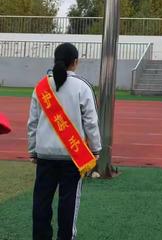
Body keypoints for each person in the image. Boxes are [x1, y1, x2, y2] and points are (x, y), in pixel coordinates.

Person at [27, 43, 101, 240]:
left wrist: (33, 150)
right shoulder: (83, 87)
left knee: (41, 202)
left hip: (44, 155)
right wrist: (95, 149)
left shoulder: (41, 86)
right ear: (75, 62)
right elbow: (91, 122)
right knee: (68, 203)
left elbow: (32, 122)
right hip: (72, 156)